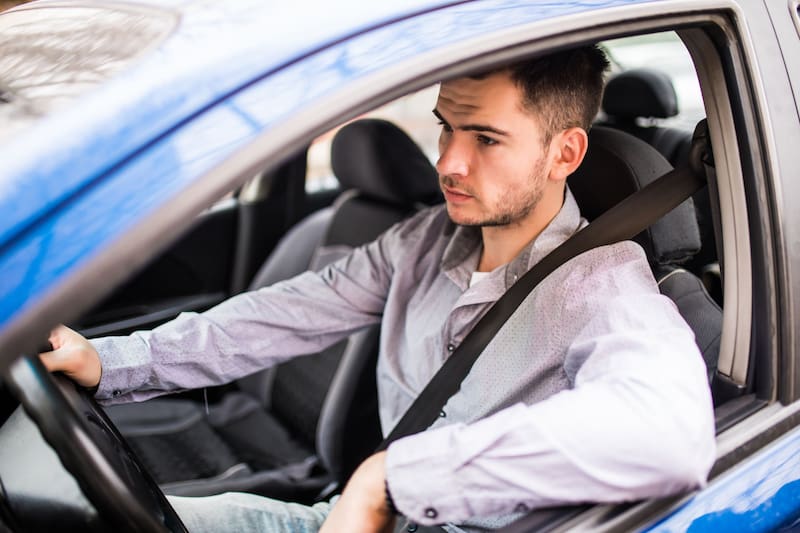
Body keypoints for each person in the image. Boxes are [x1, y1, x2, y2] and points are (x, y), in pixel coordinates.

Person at [41, 45, 715, 532]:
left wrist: (392, 478)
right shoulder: (424, 239)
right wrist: (111, 363)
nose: (447, 160)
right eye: (447, 126)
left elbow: (670, 432)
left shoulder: (602, 288)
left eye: (485, 138)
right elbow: (280, 316)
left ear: (563, 154)